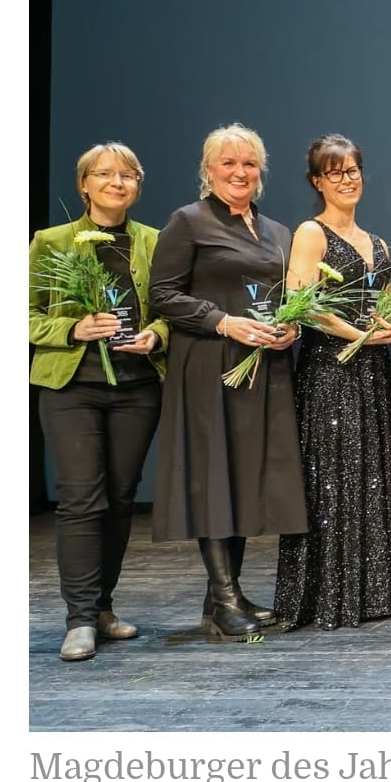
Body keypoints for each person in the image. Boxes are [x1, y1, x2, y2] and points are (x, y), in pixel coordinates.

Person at [149, 123, 305, 641]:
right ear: (208, 170)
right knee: (215, 473)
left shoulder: (278, 231)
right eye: (229, 163)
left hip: (263, 367)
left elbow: (287, 297)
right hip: (210, 365)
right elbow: (162, 295)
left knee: (241, 476)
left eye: (249, 163)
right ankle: (226, 598)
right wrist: (222, 321)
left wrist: (291, 327)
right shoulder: (188, 221)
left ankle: (221, 598)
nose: (240, 172)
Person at [30, 142, 168, 661]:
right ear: (83, 184)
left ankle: (103, 607)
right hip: (72, 388)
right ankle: (80, 620)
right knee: (81, 499)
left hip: (136, 387)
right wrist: (72, 329)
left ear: (138, 185)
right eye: (105, 174)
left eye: (127, 174)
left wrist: (156, 334)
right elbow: (23, 314)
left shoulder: (155, 241)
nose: (117, 182)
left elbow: (171, 308)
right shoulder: (52, 241)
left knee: (120, 499)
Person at [272, 135, 391, 630]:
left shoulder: (378, 243)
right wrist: (358, 335)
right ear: (317, 181)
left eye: (352, 170)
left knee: (371, 473)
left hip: (371, 371)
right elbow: (301, 302)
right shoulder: (311, 232)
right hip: (330, 370)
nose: (347, 180)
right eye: (335, 172)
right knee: (332, 478)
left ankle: (371, 591)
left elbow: (384, 304)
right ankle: (329, 594)